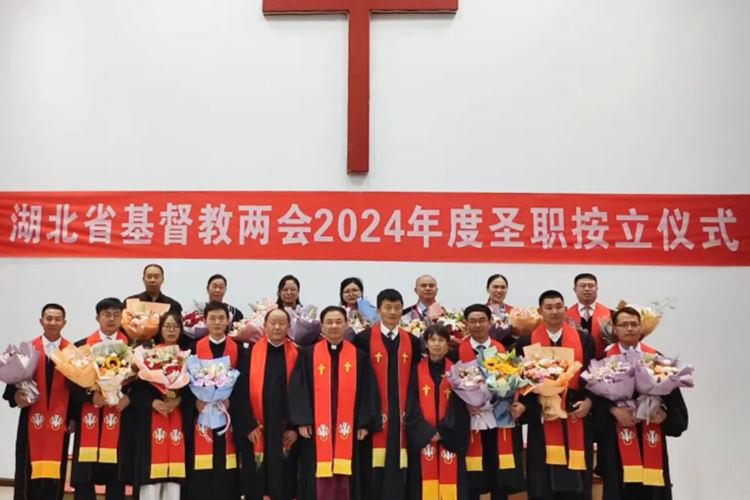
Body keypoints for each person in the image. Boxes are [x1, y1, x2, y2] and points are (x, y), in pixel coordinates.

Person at [289, 306, 381, 500]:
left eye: (339, 322)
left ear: (346, 324)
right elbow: (299, 389)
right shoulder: (307, 355)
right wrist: (302, 420)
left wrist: (364, 423)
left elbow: (367, 391)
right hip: (316, 428)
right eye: (329, 322)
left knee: (349, 471)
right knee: (314, 470)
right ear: (321, 325)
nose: (334, 326)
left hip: (349, 427)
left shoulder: (359, 357)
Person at [596, 308, 688, 500]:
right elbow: (593, 405)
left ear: (641, 328)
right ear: (614, 329)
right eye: (623, 324)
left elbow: (677, 410)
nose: (629, 328)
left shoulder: (658, 360)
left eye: (634, 324)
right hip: (615, 446)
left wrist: (664, 416)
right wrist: (613, 410)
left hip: (650, 442)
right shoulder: (601, 361)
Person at [516, 291, 596, 500]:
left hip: (574, 412)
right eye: (549, 307)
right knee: (542, 476)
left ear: (565, 308)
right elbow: (522, 382)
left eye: (559, 306)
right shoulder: (526, 341)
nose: (554, 311)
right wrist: (528, 406)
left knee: (577, 477)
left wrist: (589, 401)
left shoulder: (584, 339)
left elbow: (592, 375)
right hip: (542, 415)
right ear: (540, 311)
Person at [449, 304, 525, 500]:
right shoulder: (455, 353)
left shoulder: (506, 352)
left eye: (482, 320)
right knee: (472, 479)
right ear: (466, 324)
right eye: (472, 321)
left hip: (500, 420)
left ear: (490, 322)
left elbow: (519, 383)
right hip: (472, 422)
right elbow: (449, 389)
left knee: (499, 476)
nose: (478, 325)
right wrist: (464, 404)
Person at [353, 289, 422, 500]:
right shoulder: (363, 339)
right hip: (373, 417)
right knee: (372, 470)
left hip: (403, 416)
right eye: (387, 307)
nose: (392, 312)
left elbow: (416, 381)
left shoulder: (412, 341)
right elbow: (359, 383)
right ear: (379, 309)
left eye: (397, 307)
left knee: (402, 469)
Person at [3, 304, 73, 500]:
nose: (53, 322)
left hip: (60, 422)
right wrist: (15, 397)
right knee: (27, 466)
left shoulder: (72, 352)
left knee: (55, 470)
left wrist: (73, 417)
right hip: (31, 419)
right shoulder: (28, 350)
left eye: (57, 319)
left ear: (64, 323)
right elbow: (13, 384)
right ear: (41, 321)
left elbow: (76, 390)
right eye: (48, 318)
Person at [69, 298, 133, 500]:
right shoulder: (82, 347)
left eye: (116, 314)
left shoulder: (133, 347)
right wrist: (90, 395)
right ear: (98, 318)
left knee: (117, 479)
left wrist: (129, 398)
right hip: (90, 417)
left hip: (121, 419)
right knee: (84, 479)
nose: (112, 319)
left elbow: (142, 382)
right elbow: (71, 383)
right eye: (107, 314)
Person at [234, 308, 300, 500]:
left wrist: (295, 428)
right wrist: (248, 425)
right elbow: (240, 393)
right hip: (257, 430)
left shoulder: (298, 356)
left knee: (285, 480)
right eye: (273, 323)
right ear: (265, 326)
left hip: (285, 431)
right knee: (256, 481)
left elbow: (304, 394)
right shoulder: (249, 354)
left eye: (282, 323)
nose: (277, 327)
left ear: (289, 326)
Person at [405, 324, 470, 500]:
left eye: (441, 340)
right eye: (432, 340)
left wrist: (444, 432)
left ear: (448, 343)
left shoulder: (458, 371)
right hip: (424, 439)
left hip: (450, 437)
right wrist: (426, 432)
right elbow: (410, 405)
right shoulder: (415, 370)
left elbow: (460, 407)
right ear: (426, 343)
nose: (436, 344)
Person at [184, 301, 241, 500]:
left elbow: (244, 385)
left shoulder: (239, 350)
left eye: (221, 318)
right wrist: (195, 403)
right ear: (205, 321)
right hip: (201, 419)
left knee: (226, 471)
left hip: (228, 418)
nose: (217, 322)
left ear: (228, 321)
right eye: (212, 318)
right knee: (201, 471)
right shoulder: (193, 349)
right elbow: (184, 383)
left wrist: (230, 402)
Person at [132, 312, 191, 500]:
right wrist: (152, 402)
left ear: (181, 330)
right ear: (160, 329)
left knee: (173, 482)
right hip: (151, 421)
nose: (171, 330)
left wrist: (178, 401)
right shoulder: (148, 356)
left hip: (177, 421)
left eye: (175, 326)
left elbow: (193, 390)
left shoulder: (187, 356)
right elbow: (137, 389)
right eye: (167, 326)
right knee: (150, 479)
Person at [566, 274, 611, 358]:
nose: (587, 289)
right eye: (582, 286)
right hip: (575, 361)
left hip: (602, 360)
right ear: (575, 289)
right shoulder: (565, 316)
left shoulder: (610, 314)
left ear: (597, 289)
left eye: (591, 286)